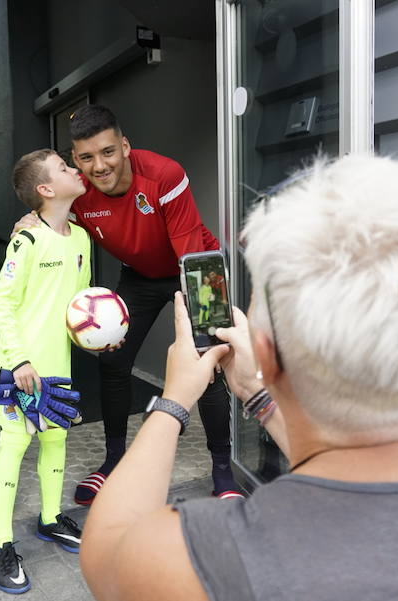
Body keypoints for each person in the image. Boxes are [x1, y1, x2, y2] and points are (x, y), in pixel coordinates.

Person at [80, 155, 398, 600]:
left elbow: (106, 551)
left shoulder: (217, 556)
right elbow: (352, 453)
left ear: (268, 352)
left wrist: (173, 402)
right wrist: (257, 395)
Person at [15, 104, 239, 504]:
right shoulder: (79, 193)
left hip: (197, 267)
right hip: (139, 276)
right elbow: (50, 219)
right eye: (86, 157)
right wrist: (28, 221)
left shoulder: (164, 174)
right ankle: (113, 459)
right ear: (75, 160)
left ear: (125, 146)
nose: (99, 165)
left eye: (108, 152)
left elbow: (188, 253)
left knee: (205, 360)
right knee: (113, 361)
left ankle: (222, 470)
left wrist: (195, 329)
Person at [0, 149, 91, 594]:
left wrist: (99, 335)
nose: (75, 169)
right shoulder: (25, 241)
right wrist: (19, 359)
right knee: (13, 446)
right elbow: (2, 302)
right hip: (22, 367)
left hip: (59, 366)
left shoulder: (82, 238)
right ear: (45, 190)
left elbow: (79, 307)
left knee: (56, 439)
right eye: (65, 168)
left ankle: (50, 520)